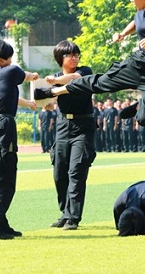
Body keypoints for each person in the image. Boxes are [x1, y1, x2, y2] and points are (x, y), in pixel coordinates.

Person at [34, 0, 145, 127]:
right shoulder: (140, 13)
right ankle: (54, 92)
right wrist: (123, 33)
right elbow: (136, 22)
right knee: (100, 82)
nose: (131, 0)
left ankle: (138, 106)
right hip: (139, 64)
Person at [0, 39, 38, 240]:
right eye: (9, 56)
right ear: (3, 59)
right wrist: (35, 76)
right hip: (4, 127)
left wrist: (27, 103)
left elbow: (5, 97)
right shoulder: (11, 71)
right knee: (4, 177)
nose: (11, 60)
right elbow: (27, 76)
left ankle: (0, 222)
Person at [44, 40, 97, 231]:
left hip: (83, 125)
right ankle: (64, 213)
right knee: (59, 172)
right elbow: (48, 102)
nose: (74, 58)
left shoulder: (85, 71)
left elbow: (74, 78)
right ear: (60, 58)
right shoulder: (56, 77)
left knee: (77, 171)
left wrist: (55, 83)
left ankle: (73, 217)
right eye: (70, 55)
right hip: (63, 125)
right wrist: (45, 101)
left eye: (76, 54)